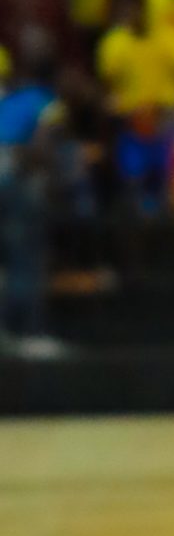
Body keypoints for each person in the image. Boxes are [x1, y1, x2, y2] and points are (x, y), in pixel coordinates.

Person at [0, 32, 77, 355]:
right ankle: (27, 333)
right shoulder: (50, 102)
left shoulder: (10, 98)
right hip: (16, 177)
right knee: (27, 258)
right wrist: (57, 175)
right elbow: (43, 144)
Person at [95, 0, 174, 212]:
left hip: (166, 122)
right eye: (123, 8)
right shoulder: (114, 43)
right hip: (132, 123)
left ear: (144, 7)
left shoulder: (169, 38)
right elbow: (107, 87)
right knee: (134, 187)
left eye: (133, 6)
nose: (129, 13)